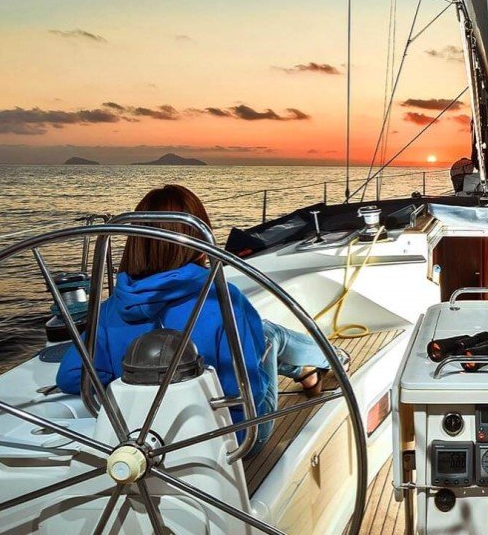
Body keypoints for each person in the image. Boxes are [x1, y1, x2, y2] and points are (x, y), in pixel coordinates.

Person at [57, 184, 347, 449]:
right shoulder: (223, 299)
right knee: (269, 335)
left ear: (137, 240)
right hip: (235, 444)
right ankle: (330, 359)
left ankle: (307, 371)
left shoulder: (110, 310)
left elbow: (70, 377)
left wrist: (136, 380)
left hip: (147, 445)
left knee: (263, 336)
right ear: (198, 237)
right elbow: (250, 394)